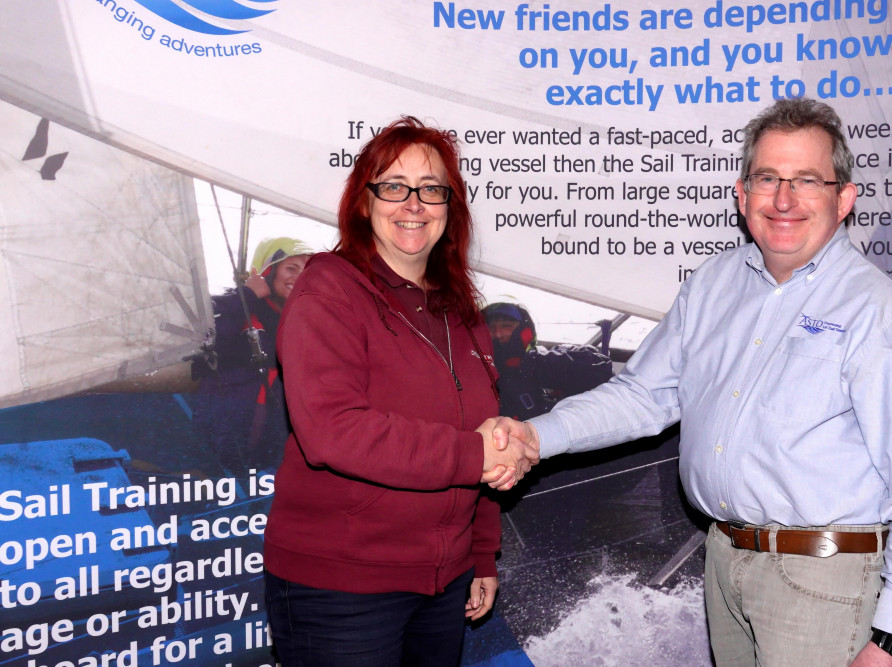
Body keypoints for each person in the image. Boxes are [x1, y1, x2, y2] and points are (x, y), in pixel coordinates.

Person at [492, 98, 892, 666]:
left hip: (826, 583)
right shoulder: (712, 284)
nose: (784, 199)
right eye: (768, 178)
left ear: (843, 199)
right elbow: (647, 394)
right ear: (742, 195)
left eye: (807, 180)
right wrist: (536, 437)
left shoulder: (878, 314)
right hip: (723, 562)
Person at [263, 116, 537, 666]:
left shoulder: (462, 311)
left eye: (431, 189)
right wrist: (473, 452)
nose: (413, 203)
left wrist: (481, 553)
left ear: (450, 208)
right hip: (342, 587)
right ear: (364, 201)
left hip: (443, 582)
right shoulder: (328, 287)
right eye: (394, 186)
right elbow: (332, 431)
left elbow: (481, 440)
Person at [192, 237, 313, 473]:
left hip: (280, 442)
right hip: (230, 434)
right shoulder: (236, 307)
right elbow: (203, 335)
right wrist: (246, 295)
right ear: (267, 271)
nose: (300, 277)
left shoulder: (306, 320)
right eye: (291, 268)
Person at [482, 301, 612, 420]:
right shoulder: (479, 370)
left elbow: (601, 368)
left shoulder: (540, 360)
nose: (497, 334)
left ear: (525, 332)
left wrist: (538, 364)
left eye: (506, 326)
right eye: (491, 327)